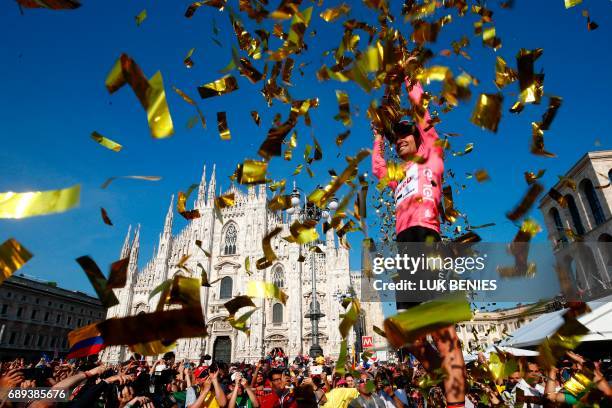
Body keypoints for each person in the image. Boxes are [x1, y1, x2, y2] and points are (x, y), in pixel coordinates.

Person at [371, 68, 466, 406]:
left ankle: (456, 402)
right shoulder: (400, 176)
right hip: (404, 251)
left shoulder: (432, 158)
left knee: (442, 331)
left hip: (427, 241)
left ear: (419, 137)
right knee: (409, 336)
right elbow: (378, 169)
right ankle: (446, 378)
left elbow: (422, 116)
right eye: (396, 137)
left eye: (405, 134)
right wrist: (378, 138)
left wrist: (408, 80)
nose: (401, 139)